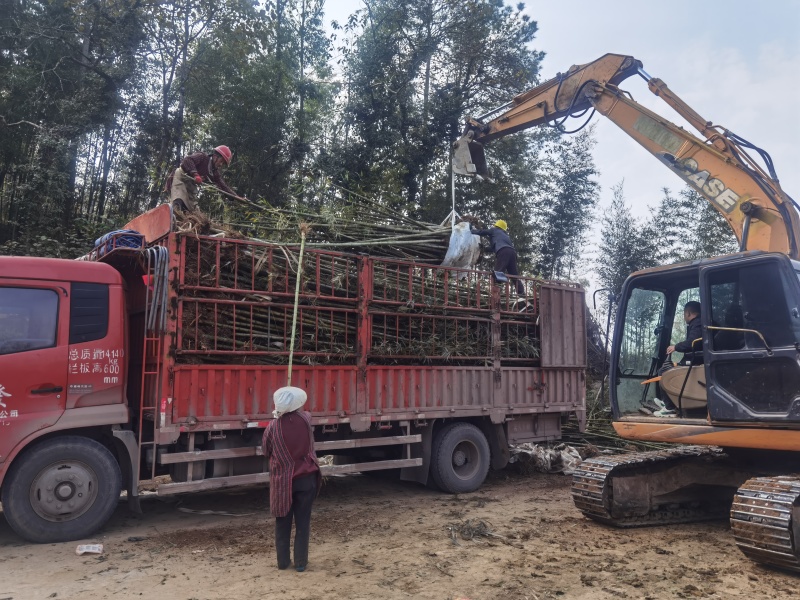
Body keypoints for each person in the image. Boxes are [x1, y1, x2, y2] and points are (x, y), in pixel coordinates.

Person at [262, 386, 321, 572]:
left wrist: (278, 415)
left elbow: (266, 450)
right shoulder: (305, 420)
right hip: (306, 478)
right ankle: (301, 563)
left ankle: (283, 562)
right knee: (303, 521)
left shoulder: (272, 427)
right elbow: (305, 413)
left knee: (282, 521)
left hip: (283, 483)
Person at [654, 301, 703, 416]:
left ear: (688, 313)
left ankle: (669, 407)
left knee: (664, 371)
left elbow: (692, 343)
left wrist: (675, 347)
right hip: (697, 359)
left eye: (684, 314)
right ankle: (668, 402)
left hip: (697, 361)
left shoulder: (697, 324)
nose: (684, 316)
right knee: (667, 369)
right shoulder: (700, 323)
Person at [168, 145, 241, 212]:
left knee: (193, 212)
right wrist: (195, 174)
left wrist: (237, 197)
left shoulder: (215, 173)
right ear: (215, 156)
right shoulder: (202, 157)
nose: (221, 165)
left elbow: (223, 186)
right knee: (178, 202)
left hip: (191, 187)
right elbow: (187, 160)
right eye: (221, 161)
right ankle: (171, 219)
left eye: (223, 164)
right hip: (181, 178)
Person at [470, 219, 525, 295]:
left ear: (497, 226)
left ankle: (496, 293)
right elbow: (493, 248)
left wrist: (471, 231)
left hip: (503, 251)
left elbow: (482, 232)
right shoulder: (505, 236)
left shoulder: (494, 230)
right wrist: (484, 248)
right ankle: (521, 294)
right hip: (512, 253)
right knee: (514, 275)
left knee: (497, 272)